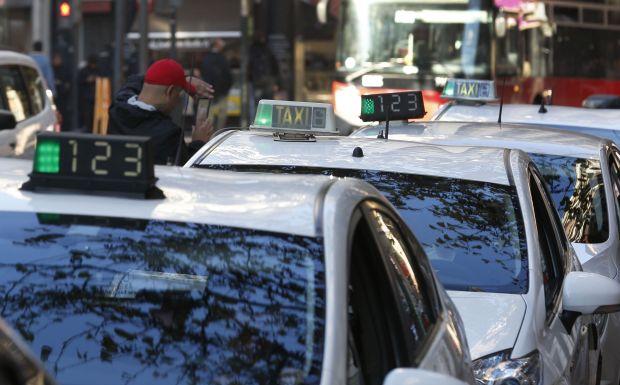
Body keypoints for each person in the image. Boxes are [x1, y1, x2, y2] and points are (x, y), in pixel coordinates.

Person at [108, 58, 215, 165]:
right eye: (178, 94)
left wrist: (182, 80)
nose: (177, 102)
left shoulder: (118, 106)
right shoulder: (169, 134)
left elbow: (135, 80)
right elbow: (186, 171)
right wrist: (199, 143)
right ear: (170, 92)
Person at [200, 39, 232, 131]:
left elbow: (205, 75)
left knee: (209, 117)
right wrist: (225, 89)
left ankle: (209, 137)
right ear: (217, 45)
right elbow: (227, 75)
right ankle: (219, 134)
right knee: (222, 115)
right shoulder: (222, 58)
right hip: (221, 92)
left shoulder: (206, 58)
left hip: (209, 91)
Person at [77, 54, 99, 132]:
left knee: (94, 114)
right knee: (86, 114)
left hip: (96, 96)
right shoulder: (84, 70)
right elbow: (79, 81)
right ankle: (86, 127)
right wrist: (87, 80)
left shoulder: (98, 70)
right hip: (86, 97)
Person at [52, 53, 71, 128]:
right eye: (55, 59)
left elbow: (68, 83)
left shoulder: (64, 69)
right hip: (55, 95)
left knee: (63, 112)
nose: (56, 61)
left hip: (63, 96)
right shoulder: (52, 69)